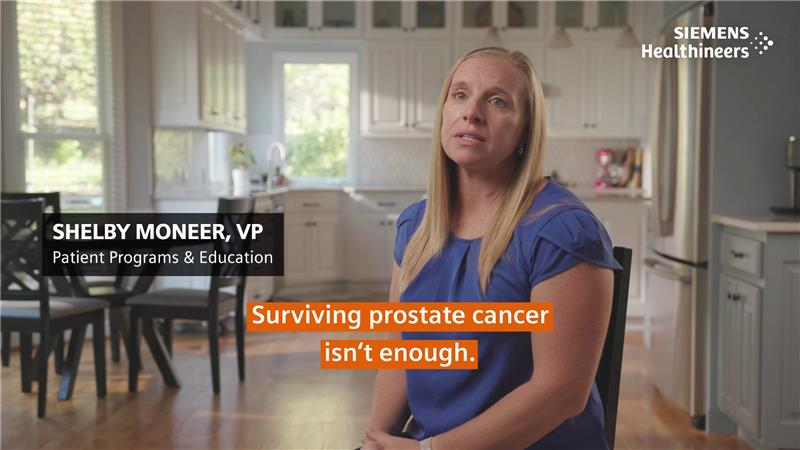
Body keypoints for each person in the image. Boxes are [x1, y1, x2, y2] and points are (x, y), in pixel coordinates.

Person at [361, 47, 622, 450]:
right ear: (444, 112)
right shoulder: (416, 226)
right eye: (460, 95)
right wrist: (375, 443)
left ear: (525, 129)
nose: (472, 112)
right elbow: (399, 356)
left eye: (497, 101)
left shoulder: (562, 231)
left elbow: (561, 393)